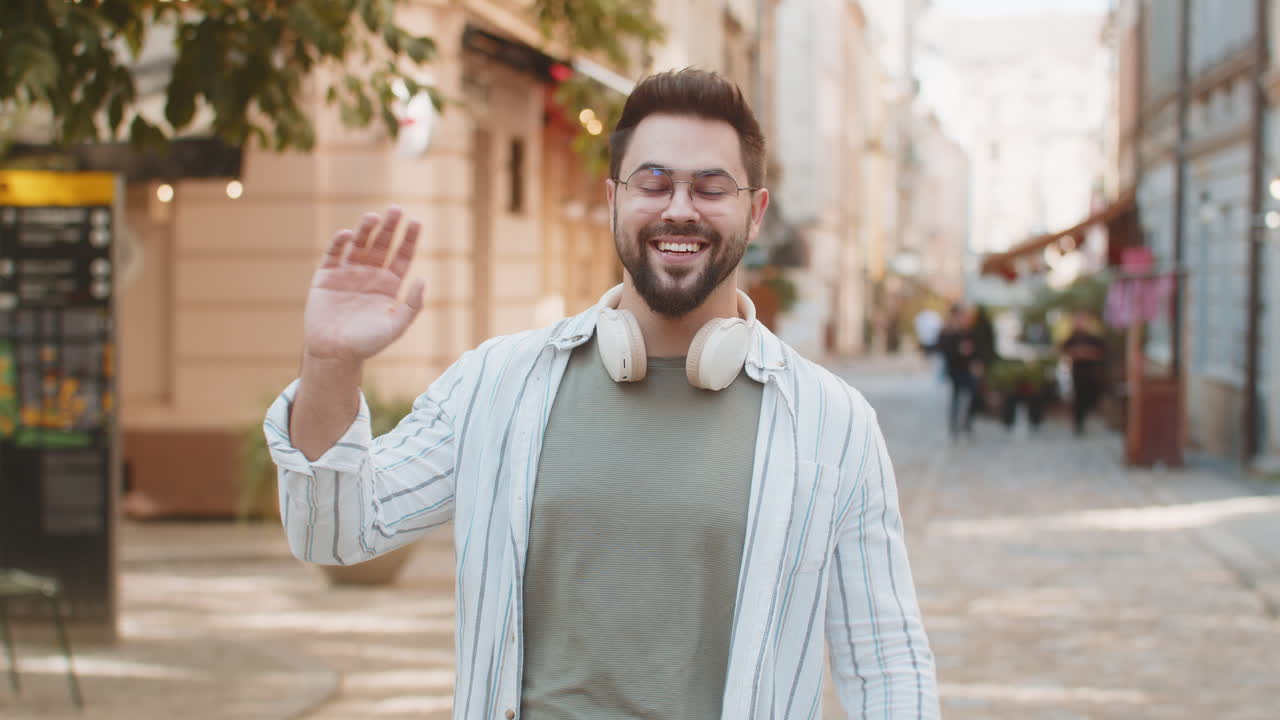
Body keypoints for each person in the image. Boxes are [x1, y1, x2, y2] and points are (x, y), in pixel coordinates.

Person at [264, 69, 938, 719]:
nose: (679, 208)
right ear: (613, 197)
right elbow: (335, 532)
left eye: (711, 187)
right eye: (654, 182)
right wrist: (330, 364)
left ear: (754, 212)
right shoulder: (498, 383)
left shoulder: (832, 422)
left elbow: (886, 661)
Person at [1061, 309, 1107, 436]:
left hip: (1091, 373)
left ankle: (1085, 419)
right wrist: (1077, 353)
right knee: (1078, 397)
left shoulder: (1093, 338)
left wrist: (1086, 353)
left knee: (1088, 396)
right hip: (1077, 372)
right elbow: (1065, 351)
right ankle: (1078, 423)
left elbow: (1100, 353)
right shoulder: (1071, 338)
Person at [937, 303, 977, 438]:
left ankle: (967, 424)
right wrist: (958, 350)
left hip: (967, 368)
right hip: (955, 369)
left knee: (970, 396)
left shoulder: (967, 329)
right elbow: (942, 349)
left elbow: (974, 347)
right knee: (956, 397)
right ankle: (954, 426)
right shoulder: (948, 330)